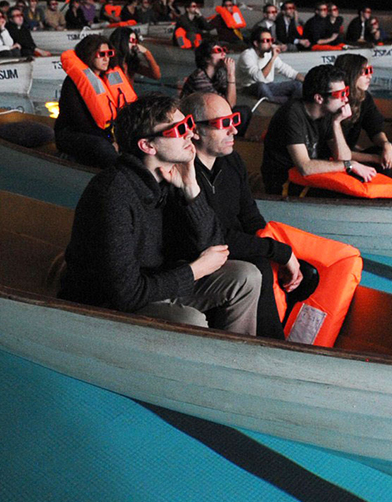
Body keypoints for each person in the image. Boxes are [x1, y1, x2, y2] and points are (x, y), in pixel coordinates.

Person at [58, 94, 260, 335]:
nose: (190, 134)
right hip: (105, 303)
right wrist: (194, 271)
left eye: (188, 124)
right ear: (148, 146)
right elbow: (125, 293)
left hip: (160, 283)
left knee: (246, 276)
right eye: (180, 129)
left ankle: (235, 352)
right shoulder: (112, 194)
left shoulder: (169, 178)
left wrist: (191, 189)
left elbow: (214, 245)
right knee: (190, 319)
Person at [180, 92, 319, 339]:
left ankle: (292, 332)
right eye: (223, 124)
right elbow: (214, 237)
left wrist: (278, 252)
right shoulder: (183, 176)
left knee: (308, 272)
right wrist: (277, 252)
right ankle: (274, 344)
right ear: (195, 131)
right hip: (203, 257)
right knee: (261, 266)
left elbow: (251, 217)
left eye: (234, 120)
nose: (234, 130)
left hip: (239, 247)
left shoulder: (232, 161)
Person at [261, 64, 376, 195]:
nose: (346, 98)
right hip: (283, 183)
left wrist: (336, 123)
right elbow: (305, 167)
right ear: (319, 98)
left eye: (346, 91)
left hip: (311, 178)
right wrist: (350, 165)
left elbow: (344, 158)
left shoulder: (328, 113)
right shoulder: (291, 115)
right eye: (341, 94)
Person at [55, 35, 129, 168]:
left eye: (109, 54)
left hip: (104, 134)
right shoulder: (73, 83)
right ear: (89, 55)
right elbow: (79, 121)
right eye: (101, 54)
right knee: (102, 146)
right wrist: (109, 140)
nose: (106, 59)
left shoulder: (107, 80)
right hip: (71, 134)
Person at [333, 54, 392, 170]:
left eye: (370, 70)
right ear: (352, 74)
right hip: (334, 159)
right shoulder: (334, 101)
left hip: (349, 154)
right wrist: (374, 158)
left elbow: (375, 129)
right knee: (379, 161)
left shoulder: (364, 98)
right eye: (365, 72)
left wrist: (386, 145)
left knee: (382, 154)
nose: (370, 76)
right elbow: (335, 152)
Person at [181, 41, 251, 135]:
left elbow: (231, 102)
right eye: (218, 50)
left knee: (244, 111)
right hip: (197, 116)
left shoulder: (219, 74)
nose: (223, 54)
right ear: (206, 58)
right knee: (240, 112)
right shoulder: (198, 78)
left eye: (224, 50)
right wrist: (231, 74)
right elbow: (230, 105)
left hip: (210, 110)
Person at [237, 27, 304, 103]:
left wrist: (306, 81)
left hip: (269, 86)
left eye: (271, 40)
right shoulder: (247, 56)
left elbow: (287, 70)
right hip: (247, 88)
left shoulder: (268, 53)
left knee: (297, 85)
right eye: (267, 41)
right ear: (256, 43)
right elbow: (259, 78)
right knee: (261, 86)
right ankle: (276, 104)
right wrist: (273, 58)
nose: (270, 44)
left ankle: (290, 105)